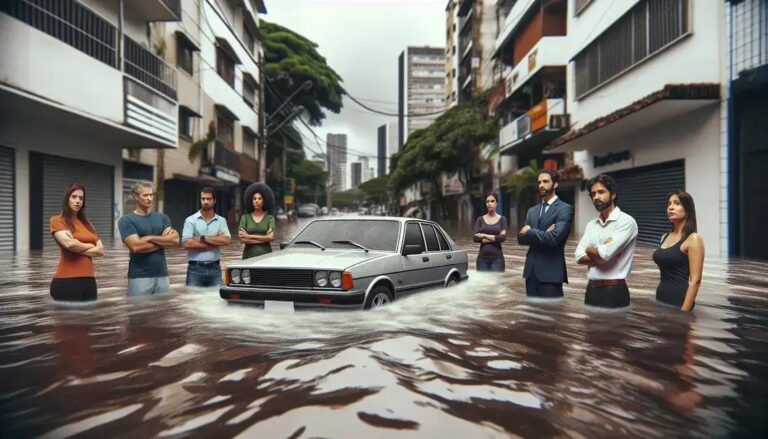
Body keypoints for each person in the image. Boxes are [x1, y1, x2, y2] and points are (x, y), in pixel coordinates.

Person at [575, 174, 638, 308]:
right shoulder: (591, 225)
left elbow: (604, 254)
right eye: (593, 194)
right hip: (591, 290)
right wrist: (598, 253)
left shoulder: (626, 222)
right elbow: (578, 256)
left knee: (613, 328)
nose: (596, 197)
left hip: (614, 291)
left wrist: (589, 249)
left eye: (601, 192)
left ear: (613, 195)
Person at [518, 169, 574, 298]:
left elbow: (554, 239)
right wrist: (540, 234)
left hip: (551, 274)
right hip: (530, 273)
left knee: (552, 314)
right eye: (539, 182)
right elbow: (521, 239)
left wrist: (530, 231)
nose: (541, 185)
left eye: (545, 181)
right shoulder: (531, 211)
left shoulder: (565, 209)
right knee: (532, 315)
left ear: (555, 184)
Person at [118, 181, 179, 297]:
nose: (149, 198)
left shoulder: (162, 218)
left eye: (151, 195)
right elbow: (136, 247)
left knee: (162, 312)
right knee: (139, 313)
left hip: (162, 275)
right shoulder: (126, 220)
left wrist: (149, 237)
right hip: (139, 277)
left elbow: (175, 240)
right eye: (145, 195)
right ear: (135, 196)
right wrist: (163, 241)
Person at [49, 183, 104, 301]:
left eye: (81, 198)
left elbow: (100, 251)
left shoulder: (88, 224)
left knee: (90, 318)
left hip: (89, 281)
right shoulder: (57, 220)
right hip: (67, 281)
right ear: (67, 198)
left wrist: (77, 246)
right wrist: (90, 245)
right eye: (74, 197)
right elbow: (69, 244)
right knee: (70, 319)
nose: (77, 201)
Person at [652, 190, 704, 311]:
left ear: (687, 210)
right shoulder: (664, 237)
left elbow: (696, 281)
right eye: (669, 204)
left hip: (679, 301)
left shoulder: (693, 239)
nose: (670, 207)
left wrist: (683, 313)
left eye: (677, 203)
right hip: (660, 298)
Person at [181, 187, 232, 287]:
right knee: (193, 300)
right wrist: (215, 243)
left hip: (215, 269)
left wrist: (201, 238)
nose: (205, 201)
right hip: (194, 270)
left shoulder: (221, 221)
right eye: (203, 199)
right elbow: (186, 243)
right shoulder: (190, 220)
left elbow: (226, 240)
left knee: (216, 300)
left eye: (208, 199)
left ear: (214, 200)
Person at [239, 182, 276, 259]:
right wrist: (264, 239)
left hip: (266, 257)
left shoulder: (270, 218)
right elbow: (242, 239)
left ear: (264, 200)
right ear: (251, 201)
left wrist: (249, 236)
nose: (257, 201)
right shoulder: (245, 218)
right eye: (254, 198)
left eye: (260, 198)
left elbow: (271, 238)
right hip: (248, 258)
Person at [473, 192, 508, 272]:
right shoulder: (480, 219)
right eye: (487, 201)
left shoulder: (502, 219)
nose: (489, 204)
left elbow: (502, 238)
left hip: (498, 260)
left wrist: (484, 235)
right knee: (483, 284)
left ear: (496, 203)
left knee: (496, 283)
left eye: (492, 201)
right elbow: (475, 237)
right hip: (482, 260)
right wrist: (495, 238)